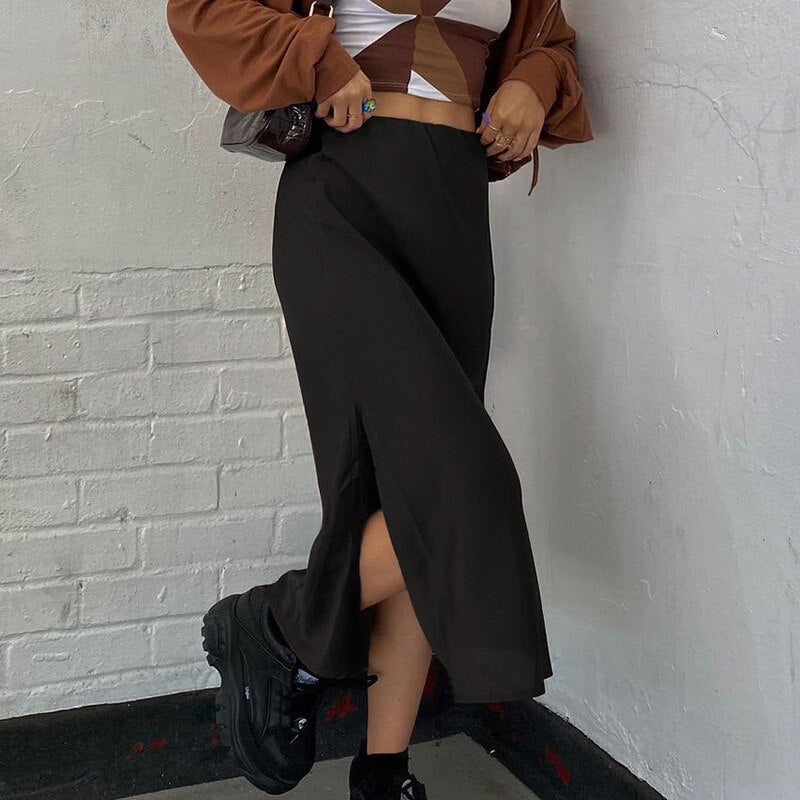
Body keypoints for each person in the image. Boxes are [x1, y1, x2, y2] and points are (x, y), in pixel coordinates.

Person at [166, 0, 593, 797]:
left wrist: (534, 80)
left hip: (454, 213)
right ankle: (280, 625)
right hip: (344, 195)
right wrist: (319, 59)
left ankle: (384, 772)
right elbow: (202, 10)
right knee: (463, 488)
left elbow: (551, 43)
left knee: (411, 498)